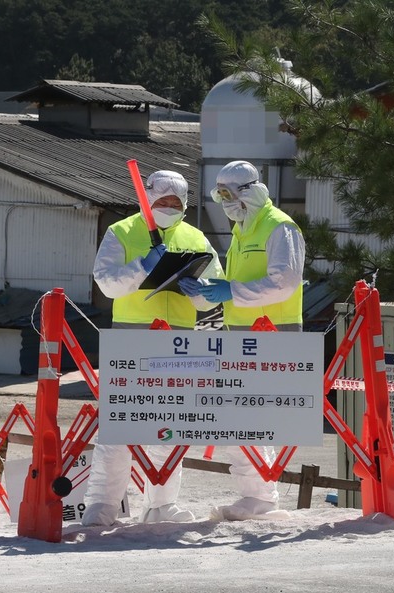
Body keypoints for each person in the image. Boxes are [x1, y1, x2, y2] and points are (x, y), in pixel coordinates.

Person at [81, 169, 224, 527]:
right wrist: (141, 267)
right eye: (162, 202)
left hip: (178, 343)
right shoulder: (122, 232)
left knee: (170, 426)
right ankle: (102, 506)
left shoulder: (195, 236)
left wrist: (202, 289)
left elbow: (215, 288)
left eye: (176, 203)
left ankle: (161, 504)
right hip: (131, 340)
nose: (170, 208)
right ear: (147, 199)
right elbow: (108, 283)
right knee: (119, 426)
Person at [178, 159, 306, 520]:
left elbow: (285, 283)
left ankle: (262, 496)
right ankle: (258, 495)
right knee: (241, 417)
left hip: (273, 333)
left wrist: (229, 291)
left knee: (247, 416)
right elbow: (233, 290)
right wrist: (205, 292)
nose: (228, 204)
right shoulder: (242, 232)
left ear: (252, 190)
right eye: (222, 197)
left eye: (232, 195)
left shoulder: (279, 227)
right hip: (242, 336)